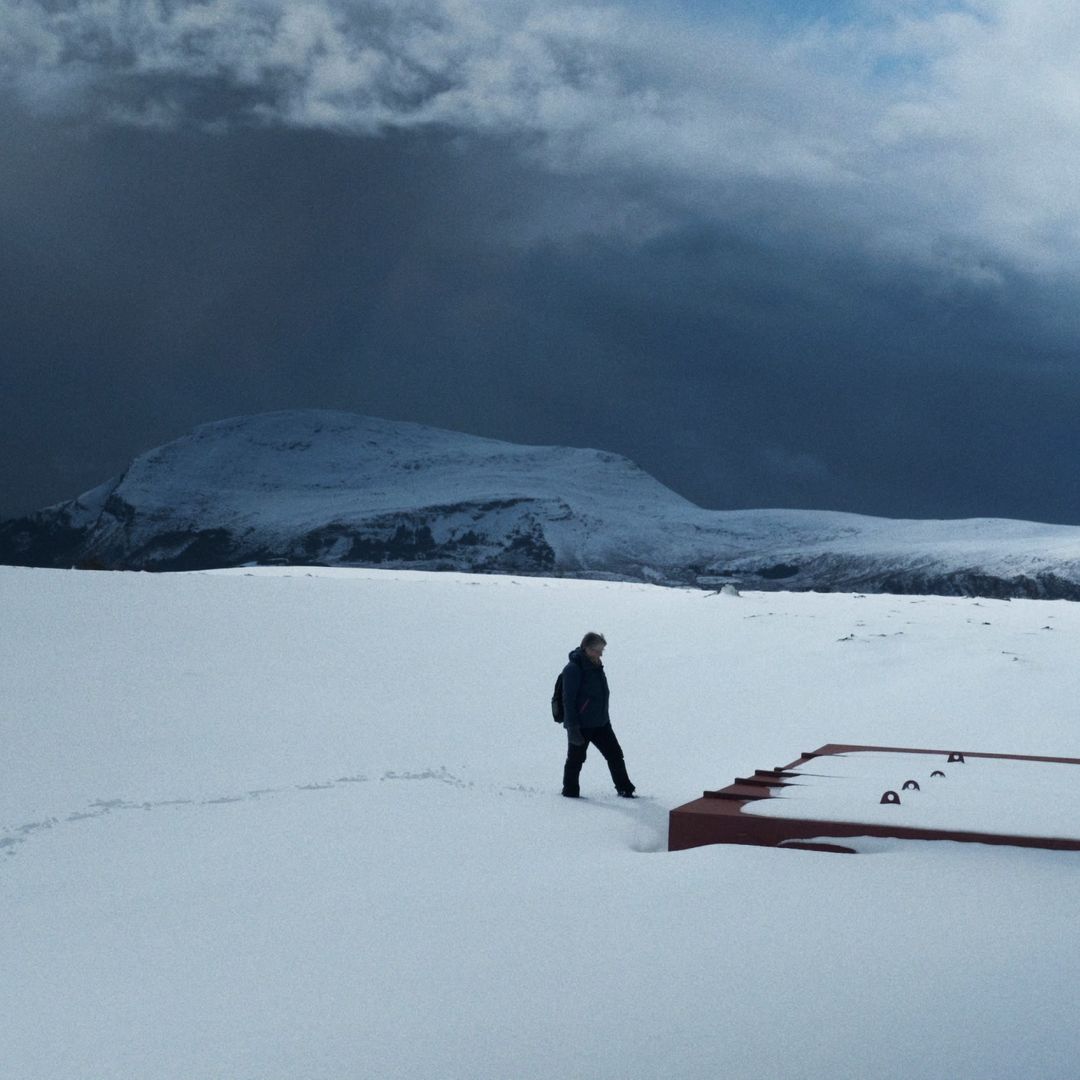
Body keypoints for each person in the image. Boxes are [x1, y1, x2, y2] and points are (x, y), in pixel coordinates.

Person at [561, 632, 636, 798]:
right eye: (597, 650)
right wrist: (572, 727)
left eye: (602, 650)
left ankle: (625, 789)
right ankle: (570, 793)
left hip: (601, 723)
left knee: (615, 755)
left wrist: (604, 717)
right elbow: (568, 700)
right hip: (581, 725)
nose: (600, 654)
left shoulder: (596, 664)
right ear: (586, 648)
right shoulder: (573, 669)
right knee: (576, 759)